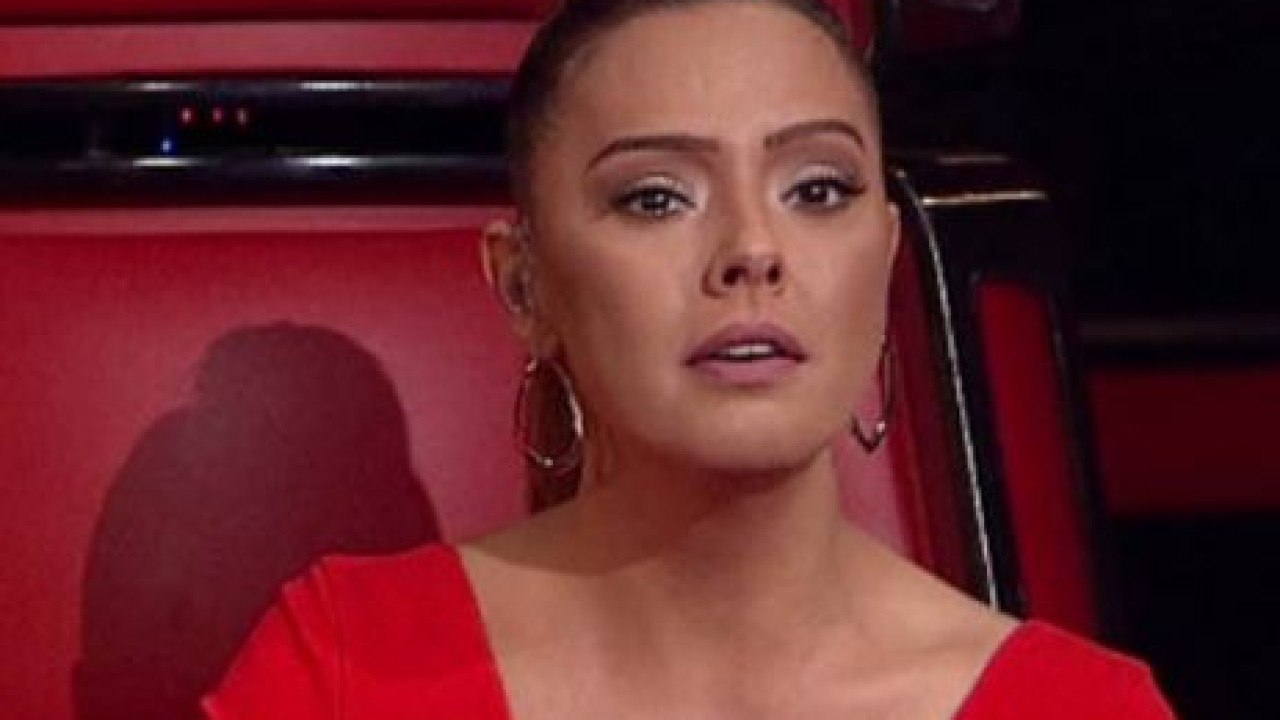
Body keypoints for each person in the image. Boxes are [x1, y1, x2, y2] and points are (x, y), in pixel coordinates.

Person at [204, 1, 1177, 718]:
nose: (752, 249)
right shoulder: (345, 666)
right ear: (524, 288)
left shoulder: (1075, 706)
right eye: (656, 198)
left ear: (885, 261)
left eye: (817, 189)